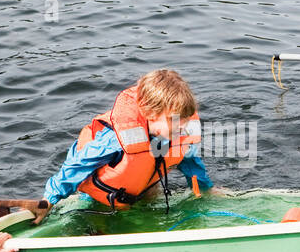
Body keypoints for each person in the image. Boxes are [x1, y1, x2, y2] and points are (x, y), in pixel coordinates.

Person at [41, 69, 218, 211]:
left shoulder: (177, 133)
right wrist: (48, 201)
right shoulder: (117, 139)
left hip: (141, 186)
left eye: (186, 119)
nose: (182, 126)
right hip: (102, 196)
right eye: (175, 119)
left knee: (151, 189)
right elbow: (78, 165)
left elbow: (190, 163)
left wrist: (206, 190)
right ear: (151, 114)